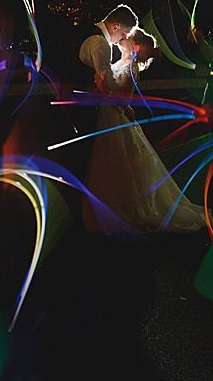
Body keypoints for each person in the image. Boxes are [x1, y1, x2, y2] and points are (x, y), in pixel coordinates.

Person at [82, 28, 205, 234]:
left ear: (135, 46)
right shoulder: (121, 63)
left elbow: (123, 100)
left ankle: (127, 210)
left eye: (129, 38)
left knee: (120, 165)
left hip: (116, 121)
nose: (124, 38)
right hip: (109, 119)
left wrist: (104, 90)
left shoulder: (132, 68)